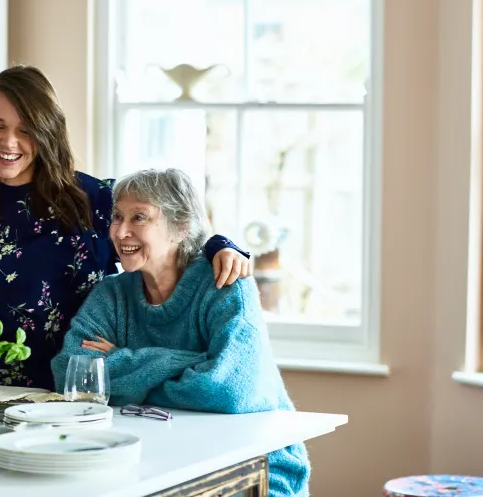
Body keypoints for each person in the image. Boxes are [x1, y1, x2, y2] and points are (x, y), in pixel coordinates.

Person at [0, 65, 252, 389]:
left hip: (79, 391)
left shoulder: (95, 199)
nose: (9, 142)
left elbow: (170, 231)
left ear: (47, 131)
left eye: (26, 130)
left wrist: (222, 245)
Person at [51, 168, 310, 497]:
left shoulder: (226, 284)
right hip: (159, 459)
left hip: (254, 464)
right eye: (117, 217)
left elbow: (229, 389)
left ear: (182, 225)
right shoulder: (112, 294)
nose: (120, 231)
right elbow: (72, 375)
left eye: (139, 217)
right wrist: (192, 362)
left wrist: (118, 364)